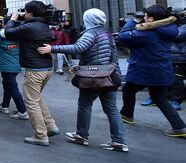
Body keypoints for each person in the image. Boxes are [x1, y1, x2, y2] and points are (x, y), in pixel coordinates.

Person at [38, 8, 128, 152]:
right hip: (110, 76)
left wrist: (52, 49)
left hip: (94, 78)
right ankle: (119, 141)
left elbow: (78, 48)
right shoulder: (106, 33)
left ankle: (81, 135)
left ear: (89, 20)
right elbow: (112, 56)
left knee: (85, 105)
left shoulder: (91, 33)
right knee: (112, 109)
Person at [118, 5, 186, 137]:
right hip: (162, 70)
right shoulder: (168, 30)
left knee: (128, 90)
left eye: (145, 16)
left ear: (151, 19)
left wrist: (132, 22)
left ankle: (127, 115)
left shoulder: (147, 33)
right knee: (159, 98)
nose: (143, 18)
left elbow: (123, 37)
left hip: (145, 70)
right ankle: (179, 127)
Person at [0, 1, 59, 147]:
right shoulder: (44, 25)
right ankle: (50, 126)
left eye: (25, 12)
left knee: (31, 102)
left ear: (31, 13)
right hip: (46, 69)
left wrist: (12, 20)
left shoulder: (29, 27)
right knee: (36, 98)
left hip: (34, 70)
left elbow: (4, 33)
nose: (24, 14)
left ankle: (40, 135)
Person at [0, 24, 28, 120]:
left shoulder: (0, 39)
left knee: (12, 88)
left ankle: (22, 111)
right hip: (16, 67)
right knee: (7, 85)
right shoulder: (18, 37)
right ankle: (4, 106)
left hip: (6, 68)